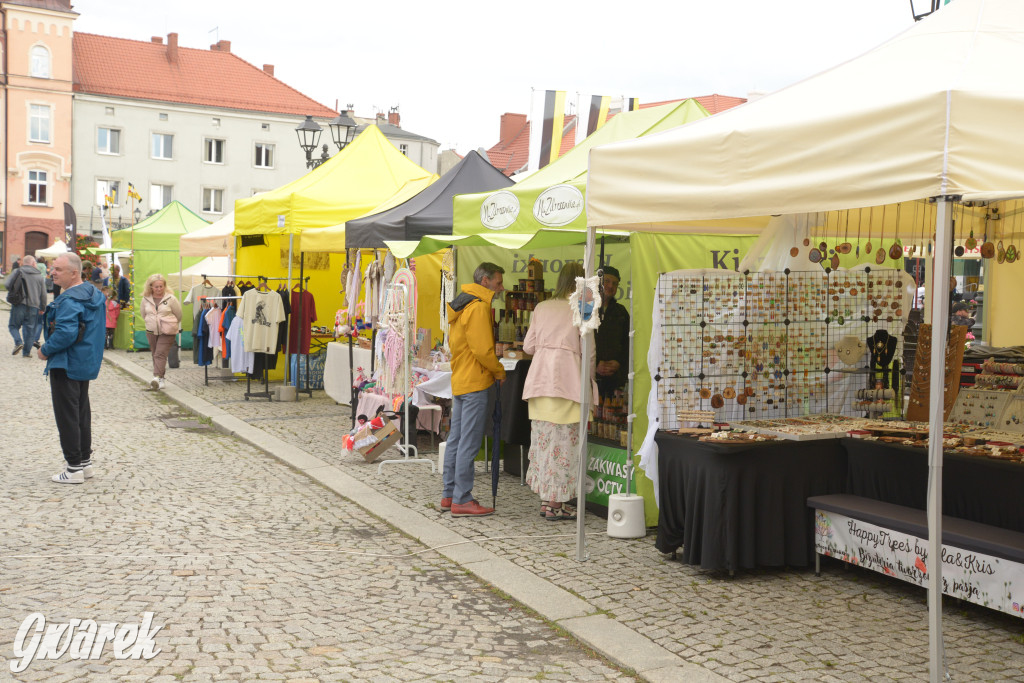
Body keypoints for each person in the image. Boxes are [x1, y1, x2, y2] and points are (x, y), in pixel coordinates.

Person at [522, 262, 598, 521]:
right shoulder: (581, 308)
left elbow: (528, 346)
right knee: (565, 445)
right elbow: (589, 352)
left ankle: (548, 500)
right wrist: (591, 384)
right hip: (569, 383)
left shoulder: (542, 307)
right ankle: (557, 503)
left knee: (544, 444)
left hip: (541, 381)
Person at [441, 262, 506, 517]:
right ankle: (462, 499)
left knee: (456, 440)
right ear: (485, 281)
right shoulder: (478, 307)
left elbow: (456, 344)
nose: (501, 288)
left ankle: (449, 495)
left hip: (461, 379)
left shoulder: (461, 303)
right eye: (498, 282)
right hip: (476, 381)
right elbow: (482, 350)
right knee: (468, 442)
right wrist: (498, 370)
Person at [38, 252, 106, 484]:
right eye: (53, 268)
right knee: (80, 413)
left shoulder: (70, 299)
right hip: (84, 360)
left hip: (66, 362)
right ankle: (84, 464)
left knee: (68, 416)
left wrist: (44, 350)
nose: (52, 272)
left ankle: (74, 468)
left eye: (57, 269)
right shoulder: (94, 294)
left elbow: (66, 333)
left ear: (74, 273)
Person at [140, 273, 182, 390]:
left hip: (167, 331)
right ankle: (161, 379)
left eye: (161, 286)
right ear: (151, 287)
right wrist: (151, 322)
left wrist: (170, 324)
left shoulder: (171, 299)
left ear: (164, 286)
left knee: (160, 353)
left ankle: (156, 378)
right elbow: (143, 314)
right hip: (151, 330)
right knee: (155, 354)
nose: (159, 289)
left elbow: (178, 314)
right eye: (156, 286)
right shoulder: (145, 299)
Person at [594, 265, 630, 401]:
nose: (611, 286)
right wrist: (595, 364)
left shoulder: (621, 312)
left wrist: (619, 363)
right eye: (607, 281)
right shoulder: (586, 309)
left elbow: (628, 344)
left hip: (614, 381)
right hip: (589, 379)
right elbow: (577, 342)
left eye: (615, 283)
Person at [6, 255, 48, 357]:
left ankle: (18, 342)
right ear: (33, 263)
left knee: (13, 326)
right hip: (34, 306)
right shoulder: (39, 276)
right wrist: (42, 307)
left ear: (23, 263)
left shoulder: (17, 271)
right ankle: (26, 353)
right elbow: (43, 294)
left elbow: (7, 284)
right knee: (29, 329)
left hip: (19, 304)